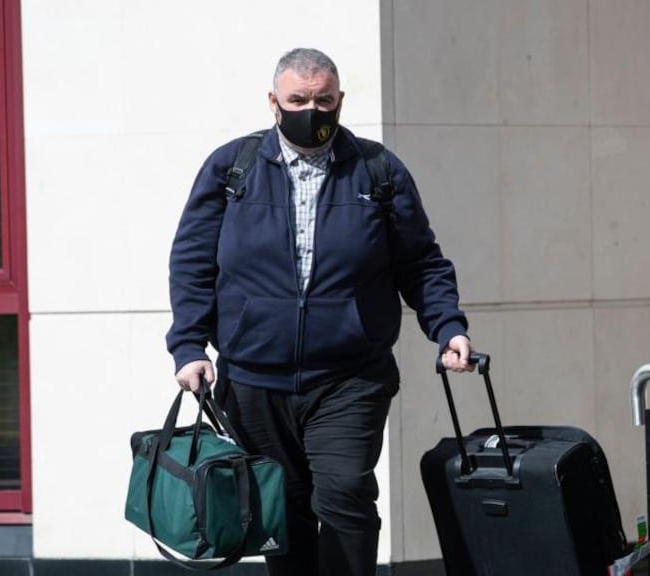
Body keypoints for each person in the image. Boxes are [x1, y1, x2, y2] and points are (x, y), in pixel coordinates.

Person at [166, 47, 474, 576]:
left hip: (350, 377)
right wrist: (189, 346)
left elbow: (421, 262)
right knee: (282, 511)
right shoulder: (231, 169)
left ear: (340, 100)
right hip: (254, 380)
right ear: (273, 102)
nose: (312, 111)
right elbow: (192, 262)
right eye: (298, 100)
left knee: (346, 493)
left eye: (324, 100)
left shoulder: (377, 171)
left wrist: (447, 327)